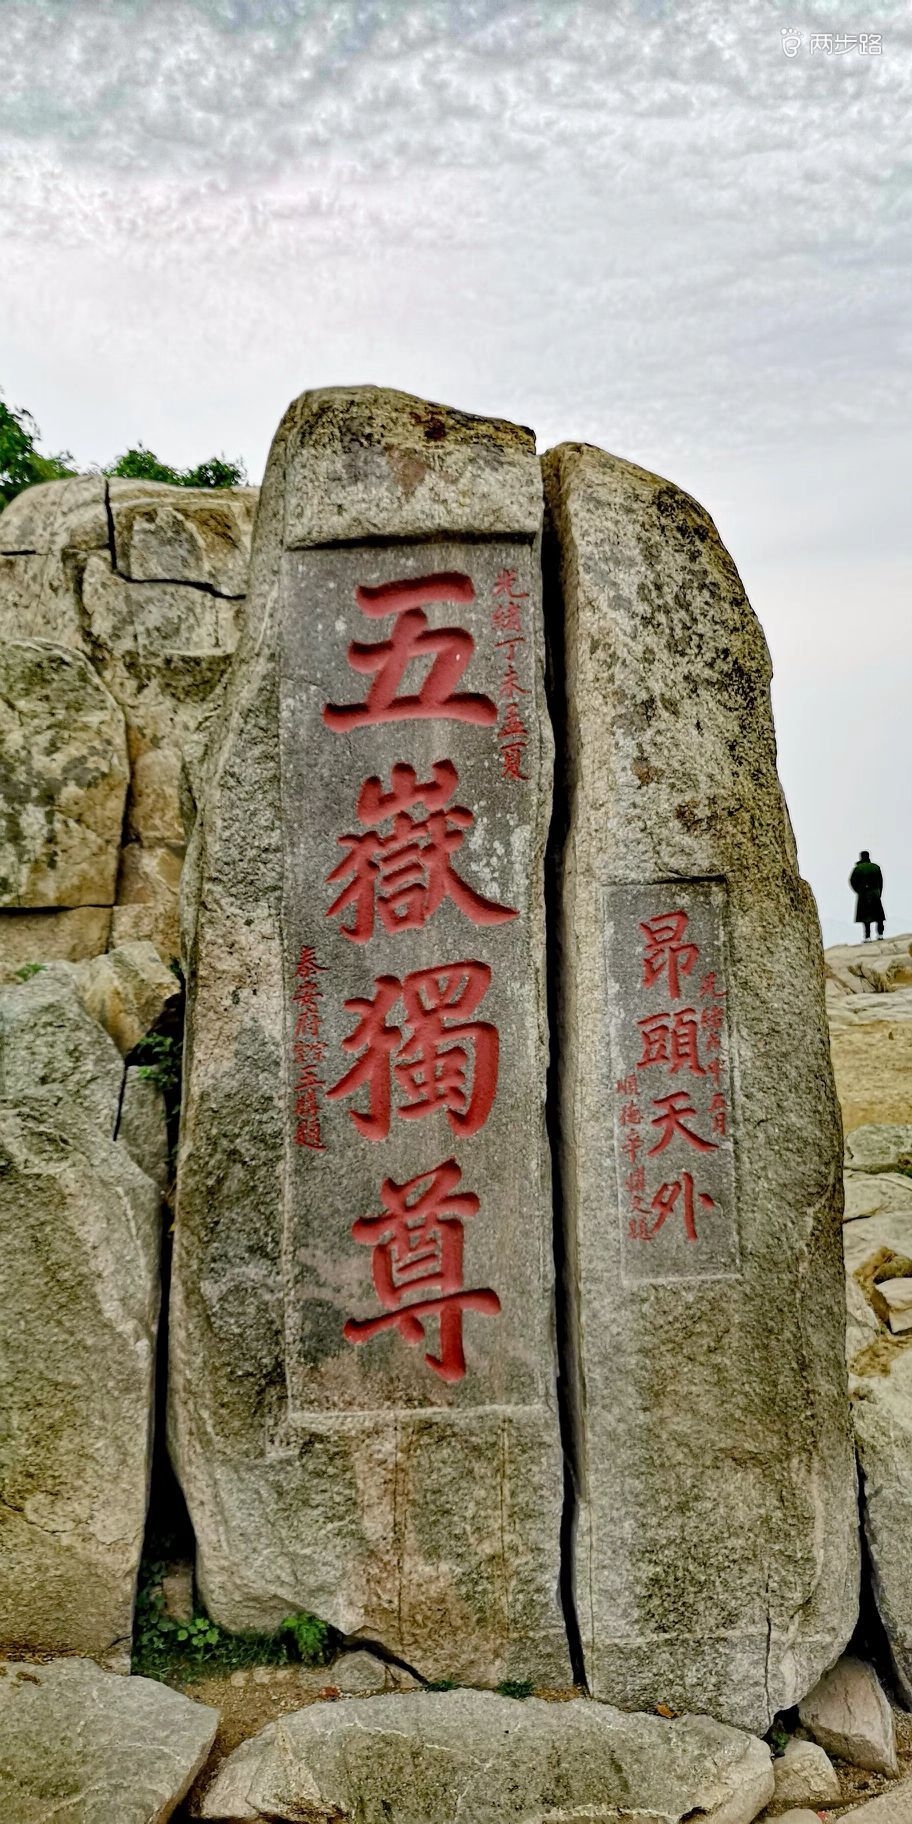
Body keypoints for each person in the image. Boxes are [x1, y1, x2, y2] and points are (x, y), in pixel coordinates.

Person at [850, 850, 885, 941]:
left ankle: (867, 937)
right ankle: (880, 934)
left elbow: (852, 881)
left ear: (861, 857)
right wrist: (879, 892)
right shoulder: (876, 867)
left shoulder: (858, 869)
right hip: (875, 894)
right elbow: (881, 882)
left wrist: (858, 891)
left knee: (866, 917)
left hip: (863, 895)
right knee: (878, 916)